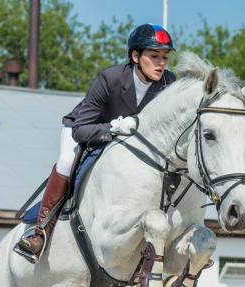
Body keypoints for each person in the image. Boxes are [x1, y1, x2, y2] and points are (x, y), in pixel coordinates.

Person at [14, 23, 176, 263]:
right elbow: (80, 130)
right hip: (88, 130)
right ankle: (40, 232)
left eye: (165, 57)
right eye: (154, 56)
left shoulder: (168, 83)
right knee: (67, 161)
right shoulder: (109, 78)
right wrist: (112, 128)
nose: (161, 63)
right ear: (135, 55)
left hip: (129, 143)